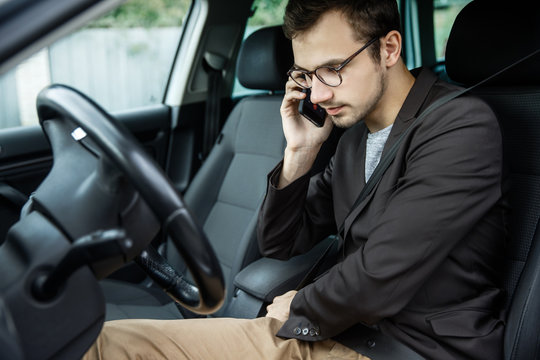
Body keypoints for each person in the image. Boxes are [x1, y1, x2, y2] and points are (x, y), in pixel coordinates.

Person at [83, 0, 507, 359]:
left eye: (333, 68)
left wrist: (297, 305)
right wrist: (300, 154)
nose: (318, 95)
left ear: (390, 48)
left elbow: (382, 274)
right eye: (306, 74)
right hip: (342, 335)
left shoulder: (461, 125)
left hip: (409, 349)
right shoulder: (355, 134)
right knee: (104, 342)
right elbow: (281, 243)